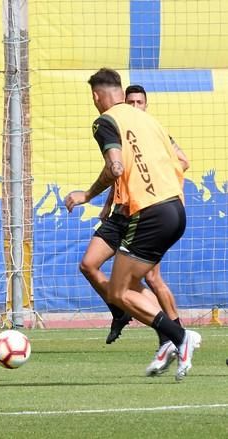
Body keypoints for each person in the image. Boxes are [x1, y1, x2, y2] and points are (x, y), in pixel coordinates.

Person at [65, 68, 200, 382]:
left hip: (148, 212)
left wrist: (87, 194)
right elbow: (178, 159)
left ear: (97, 96)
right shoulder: (149, 121)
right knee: (118, 282)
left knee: (120, 290)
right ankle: (168, 337)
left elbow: (115, 166)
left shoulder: (105, 121)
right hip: (174, 208)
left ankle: (179, 336)